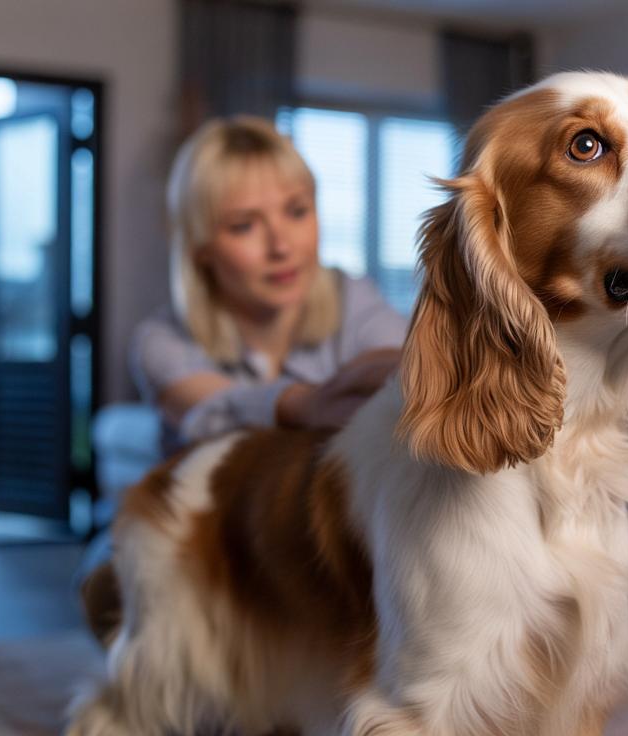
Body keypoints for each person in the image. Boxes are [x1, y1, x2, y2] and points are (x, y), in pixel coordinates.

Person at [80, 116, 407, 642]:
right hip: (206, 538)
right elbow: (216, 412)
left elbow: (399, 361)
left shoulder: (354, 298)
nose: (282, 245)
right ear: (201, 247)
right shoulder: (159, 342)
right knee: (108, 582)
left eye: (297, 212)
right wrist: (309, 403)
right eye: (244, 226)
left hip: (316, 538)